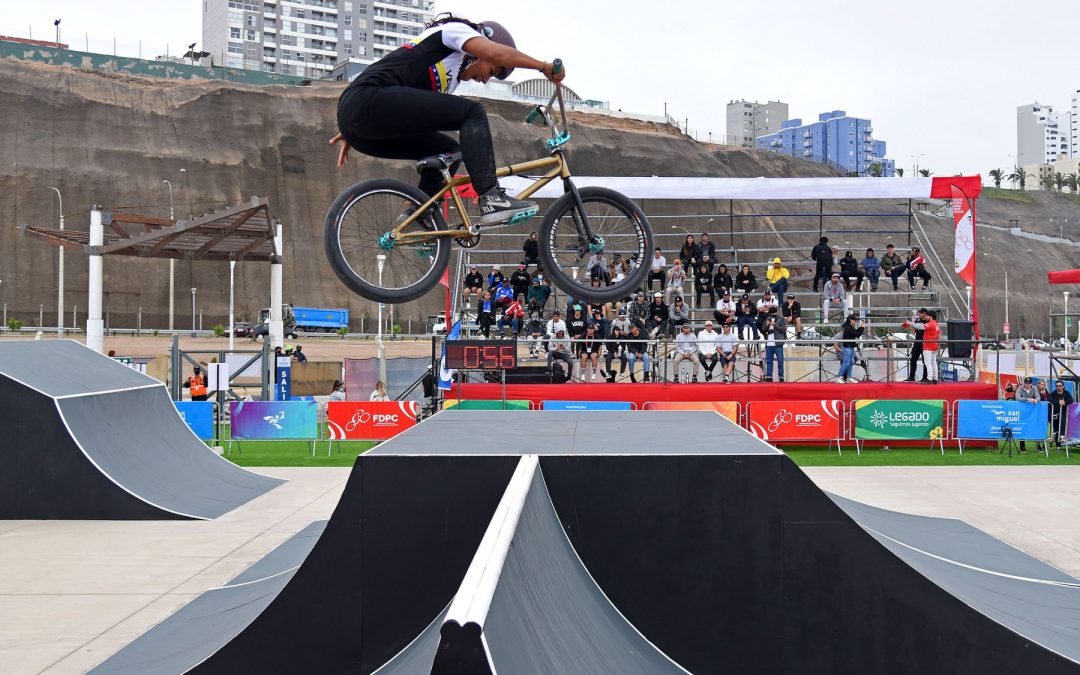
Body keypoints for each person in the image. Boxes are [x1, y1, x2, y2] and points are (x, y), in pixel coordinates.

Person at [332, 14, 564, 225]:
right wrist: (542, 67)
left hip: (366, 123)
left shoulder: (450, 80)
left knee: (449, 151)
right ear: (481, 46)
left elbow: (407, 106)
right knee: (472, 113)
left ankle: (417, 217)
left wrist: (358, 125)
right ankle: (491, 196)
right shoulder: (454, 32)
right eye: (492, 71)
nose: (484, 80)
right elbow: (496, 53)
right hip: (365, 99)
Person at [903, 308, 940, 384]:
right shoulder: (936, 324)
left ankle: (929, 379)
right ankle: (935, 378)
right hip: (934, 345)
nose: (926, 316)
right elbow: (939, 335)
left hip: (928, 345)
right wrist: (912, 325)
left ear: (930, 316)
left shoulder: (930, 323)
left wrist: (910, 323)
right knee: (933, 363)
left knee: (928, 363)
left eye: (927, 315)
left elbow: (921, 327)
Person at [835, 313, 865, 383]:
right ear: (850, 320)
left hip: (850, 347)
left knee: (851, 362)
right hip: (847, 348)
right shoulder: (848, 327)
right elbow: (857, 334)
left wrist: (861, 327)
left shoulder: (850, 327)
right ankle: (839, 377)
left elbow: (856, 332)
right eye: (854, 320)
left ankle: (849, 377)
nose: (855, 321)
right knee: (846, 363)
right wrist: (862, 327)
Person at [1014, 377, 1041, 453]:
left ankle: (1038, 445)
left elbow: (1038, 397)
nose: (1027, 385)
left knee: (1035, 426)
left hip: (1032, 411)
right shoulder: (1020, 388)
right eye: (1026, 383)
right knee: (1022, 426)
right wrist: (1028, 399)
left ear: (1031, 384)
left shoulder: (1034, 388)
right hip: (1022, 411)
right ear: (1024, 383)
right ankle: (1022, 446)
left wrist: (1036, 400)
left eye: (1029, 383)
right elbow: (1017, 398)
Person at [763, 307, 787, 382]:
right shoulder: (767, 319)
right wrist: (767, 325)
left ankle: (781, 377)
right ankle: (769, 376)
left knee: (780, 361)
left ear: (776, 312)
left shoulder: (781, 319)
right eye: (771, 313)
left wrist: (774, 325)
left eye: (774, 313)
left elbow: (784, 330)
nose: (772, 314)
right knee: (769, 361)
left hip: (778, 343)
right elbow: (763, 330)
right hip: (769, 343)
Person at [903, 309, 927, 382]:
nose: (919, 314)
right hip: (917, 342)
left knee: (925, 361)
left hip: (924, 342)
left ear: (924, 313)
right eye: (919, 313)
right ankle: (911, 377)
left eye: (920, 313)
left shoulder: (927, 321)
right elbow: (915, 329)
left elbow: (920, 327)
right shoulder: (918, 319)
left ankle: (925, 378)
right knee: (913, 359)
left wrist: (911, 324)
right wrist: (910, 327)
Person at [1049, 380, 1073, 445]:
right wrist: (1058, 402)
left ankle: (1062, 436)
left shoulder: (1066, 393)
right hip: (1054, 413)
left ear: (1063, 386)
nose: (1058, 387)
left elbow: (1071, 400)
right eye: (1057, 386)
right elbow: (1049, 399)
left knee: (1062, 421)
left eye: (1060, 386)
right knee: (1056, 427)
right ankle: (1057, 444)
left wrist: (1064, 402)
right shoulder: (1053, 393)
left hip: (1063, 413)